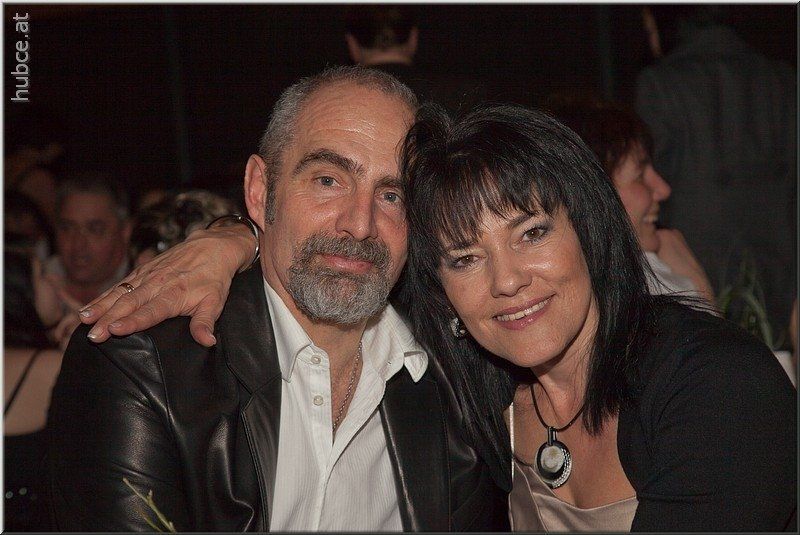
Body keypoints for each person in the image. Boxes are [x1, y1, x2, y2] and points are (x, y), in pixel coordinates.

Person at [81, 102, 796, 531]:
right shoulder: (477, 390)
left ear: (590, 225)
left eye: (532, 232)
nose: (506, 281)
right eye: (463, 256)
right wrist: (239, 238)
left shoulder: (715, 385)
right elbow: (342, 254)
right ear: (439, 286)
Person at [48, 66, 508, 532]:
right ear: (260, 190)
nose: (360, 224)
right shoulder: (142, 367)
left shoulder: (455, 383)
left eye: (392, 195)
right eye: (328, 180)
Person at [636, 5, 796, 341]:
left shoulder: (662, 84)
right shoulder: (784, 80)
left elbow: (645, 189)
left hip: (700, 287)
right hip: (783, 287)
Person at [546, 96, 715, 305]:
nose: (663, 190)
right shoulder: (633, 284)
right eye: (639, 176)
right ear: (593, 194)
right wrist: (696, 284)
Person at [37, 173, 132, 349]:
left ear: (125, 231)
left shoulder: (145, 285)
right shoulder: (36, 281)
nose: (78, 244)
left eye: (95, 229)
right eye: (67, 228)